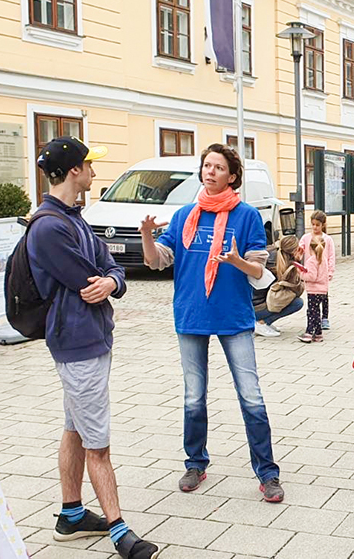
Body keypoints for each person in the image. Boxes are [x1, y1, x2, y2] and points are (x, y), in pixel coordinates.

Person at [27, 137, 156, 558]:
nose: (94, 171)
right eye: (88, 164)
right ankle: (121, 531)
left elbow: (111, 270)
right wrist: (105, 280)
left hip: (91, 338)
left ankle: (71, 515)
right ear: (73, 172)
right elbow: (87, 280)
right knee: (97, 442)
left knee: (75, 428)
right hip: (77, 342)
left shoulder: (75, 218)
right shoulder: (49, 227)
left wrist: (113, 281)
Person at [139, 144, 285, 503]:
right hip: (191, 314)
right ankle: (195, 462)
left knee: (250, 395)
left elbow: (260, 272)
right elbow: (157, 262)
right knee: (193, 396)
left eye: (218, 167)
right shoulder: (185, 215)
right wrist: (146, 234)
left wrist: (236, 260)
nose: (211, 172)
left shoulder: (247, 215)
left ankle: (267, 472)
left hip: (233, 316)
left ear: (232, 176)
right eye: (207, 166)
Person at [253, 235, 304, 337]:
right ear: (294, 250)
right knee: (297, 303)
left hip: (248, 305)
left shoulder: (267, 251)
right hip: (258, 309)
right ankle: (262, 323)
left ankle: (264, 322)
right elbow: (297, 291)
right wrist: (298, 261)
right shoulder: (287, 266)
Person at [299, 210, 335, 342]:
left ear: (323, 225)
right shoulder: (306, 237)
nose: (315, 227)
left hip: (320, 274)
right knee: (317, 301)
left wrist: (330, 272)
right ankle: (318, 330)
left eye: (317, 225)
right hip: (312, 271)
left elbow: (331, 256)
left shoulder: (327, 239)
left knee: (321, 299)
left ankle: (321, 321)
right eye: (313, 224)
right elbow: (300, 249)